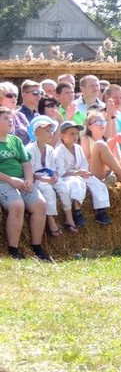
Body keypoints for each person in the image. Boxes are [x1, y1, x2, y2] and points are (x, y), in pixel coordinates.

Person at [0, 106, 52, 261]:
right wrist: (10, 179)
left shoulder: (15, 140)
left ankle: (36, 247)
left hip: (22, 181)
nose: (11, 121)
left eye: (11, 118)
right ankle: (14, 250)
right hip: (3, 181)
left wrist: (29, 178)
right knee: (17, 205)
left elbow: (26, 164)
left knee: (40, 204)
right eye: (5, 118)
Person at [53, 121, 113, 225]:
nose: (75, 136)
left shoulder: (78, 148)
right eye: (72, 133)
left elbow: (84, 165)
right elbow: (60, 172)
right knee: (76, 184)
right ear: (63, 135)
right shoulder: (58, 151)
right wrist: (77, 173)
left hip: (80, 174)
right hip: (67, 177)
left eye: (77, 133)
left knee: (97, 183)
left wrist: (84, 172)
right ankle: (77, 212)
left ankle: (101, 211)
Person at [25, 116, 74, 236]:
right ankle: (51, 221)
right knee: (47, 190)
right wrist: (42, 178)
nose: (50, 133)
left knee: (63, 187)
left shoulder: (50, 149)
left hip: (49, 175)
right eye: (47, 131)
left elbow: (54, 167)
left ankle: (69, 217)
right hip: (36, 178)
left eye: (51, 131)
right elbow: (29, 171)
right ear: (36, 133)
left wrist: (55, 176)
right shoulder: (29, 150)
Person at [80, 111, 121, 184]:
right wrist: (107, 148)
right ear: (89, 126)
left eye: (103, 121)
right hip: (97, 172)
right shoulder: (86, 139)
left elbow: (119, 161)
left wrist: (112, 148)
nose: (102, 124)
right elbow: (87, 162)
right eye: (98, 122)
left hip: (112, 172)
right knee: (100, 144)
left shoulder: (110, 140)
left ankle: (112, 179)